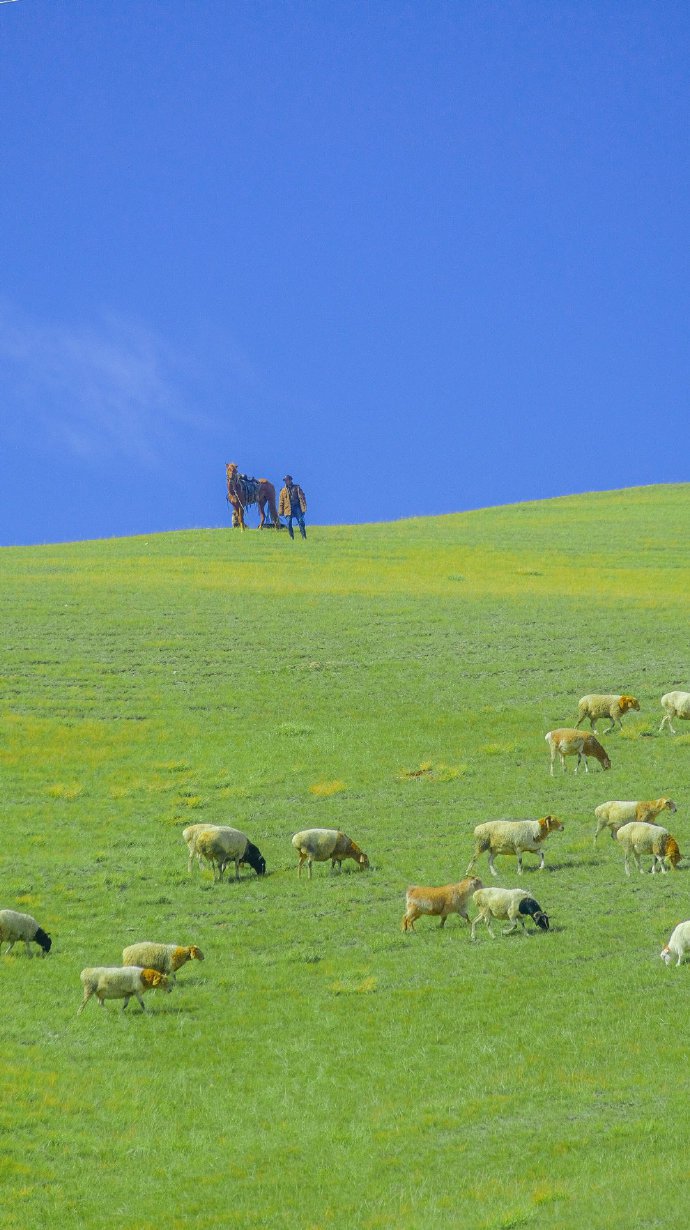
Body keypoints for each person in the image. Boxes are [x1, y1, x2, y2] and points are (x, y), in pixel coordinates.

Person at [279, 475, 307, 539]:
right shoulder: (283, 491)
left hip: (296, 507)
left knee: (301, 521)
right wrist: (280, 511)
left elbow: (302, 498)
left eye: (288, 480)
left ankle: (304, 536)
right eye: (285, 480)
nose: (286, 481)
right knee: (289, 523)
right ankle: (291, 537)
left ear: (290, 480)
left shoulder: (297, 488)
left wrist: (304, 507)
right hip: (287, 509)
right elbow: (281, 502)